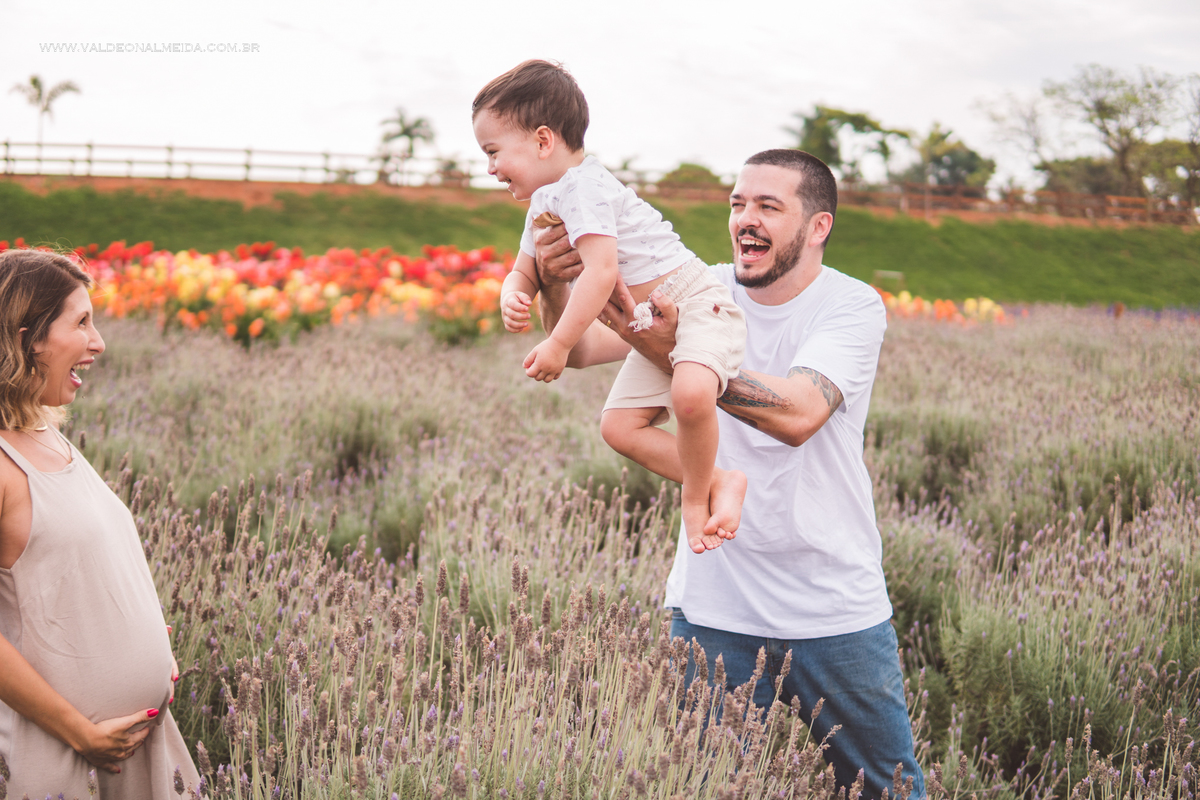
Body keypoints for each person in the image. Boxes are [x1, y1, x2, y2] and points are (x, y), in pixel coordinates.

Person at [533, 149, 926, 800]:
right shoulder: (696, 287)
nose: (746, 218)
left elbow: (800, 414)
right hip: (714, 605)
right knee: (705, 786)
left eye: (769, 206)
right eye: (738, 204)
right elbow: (574, 351)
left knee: (885, 789)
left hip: (833, 610)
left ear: (818, 226)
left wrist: (691, 359)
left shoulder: (851, 307)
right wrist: (551, 281)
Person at [472, 59, 748, 553]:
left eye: (493, 152)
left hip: (695, 304)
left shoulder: (588, 187)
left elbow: (600, 273)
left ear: (542, 141)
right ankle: (720, 480)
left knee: (689, 394)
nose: (489, 167)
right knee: (619, 427)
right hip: (648, 320)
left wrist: (557, 344)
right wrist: (512, 294)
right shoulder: (543, 201)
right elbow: (526, 269)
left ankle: (695, 498)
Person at [0, 248, 200, 798]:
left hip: (129, 745)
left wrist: (149, 652)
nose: (99, 342)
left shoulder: (48, 437)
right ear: (27, 339)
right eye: (82, 322)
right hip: (62, 752)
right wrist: (82, 733)